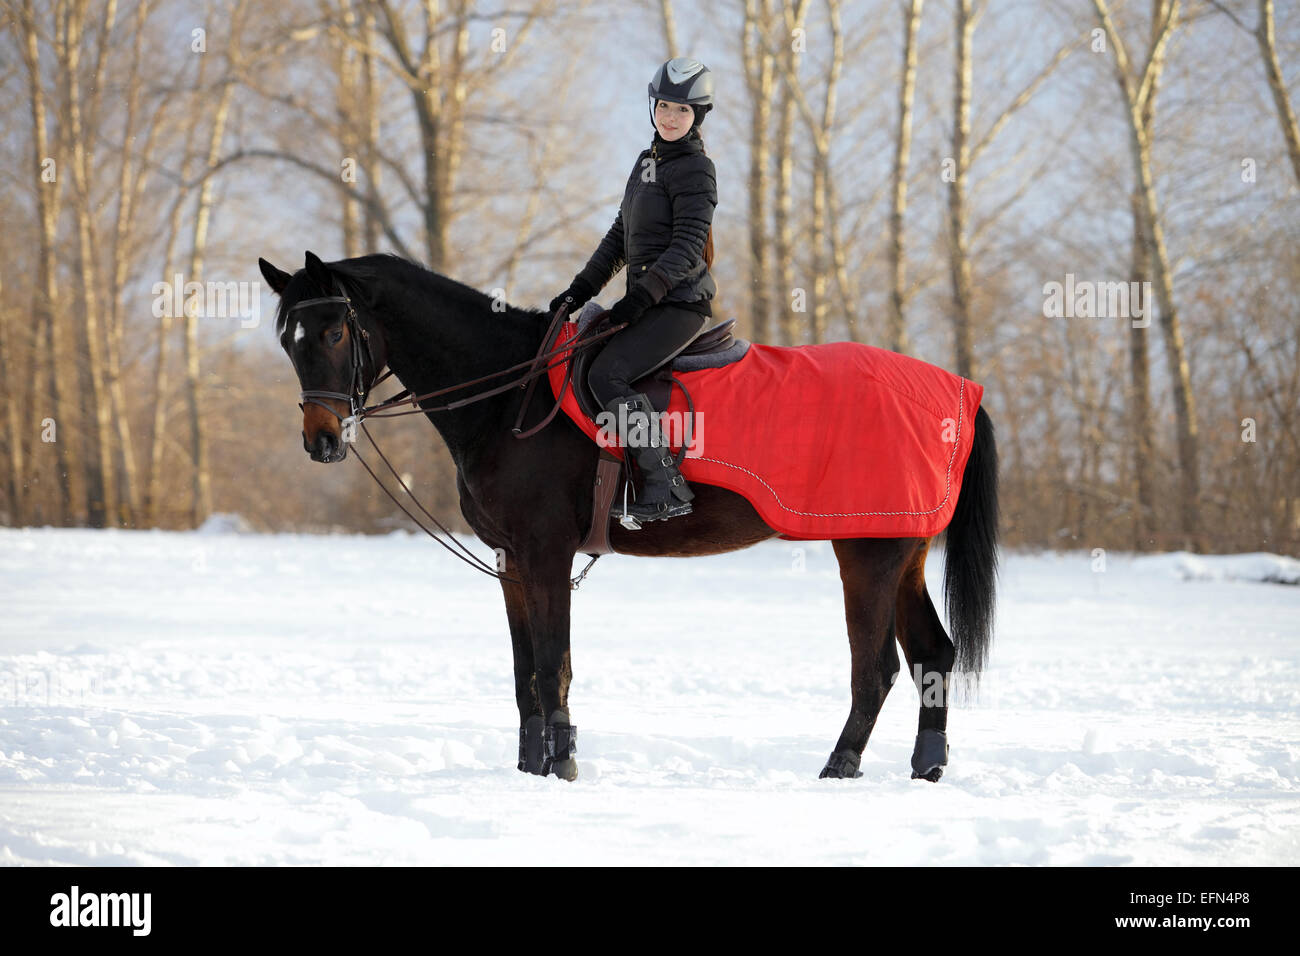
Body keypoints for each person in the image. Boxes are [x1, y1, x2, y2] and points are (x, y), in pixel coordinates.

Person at [549, 57, 719, 524]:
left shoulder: (696, 170)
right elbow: (617, 239)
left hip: (680, 303)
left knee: (608, 376)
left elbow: (687, 246)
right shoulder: (646, 163)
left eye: (682, 111)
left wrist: (642, 297)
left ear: (697, 117)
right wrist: (577, 292)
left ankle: (665, 486)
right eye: (664, 106)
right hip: (648, 300)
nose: (669, 117)